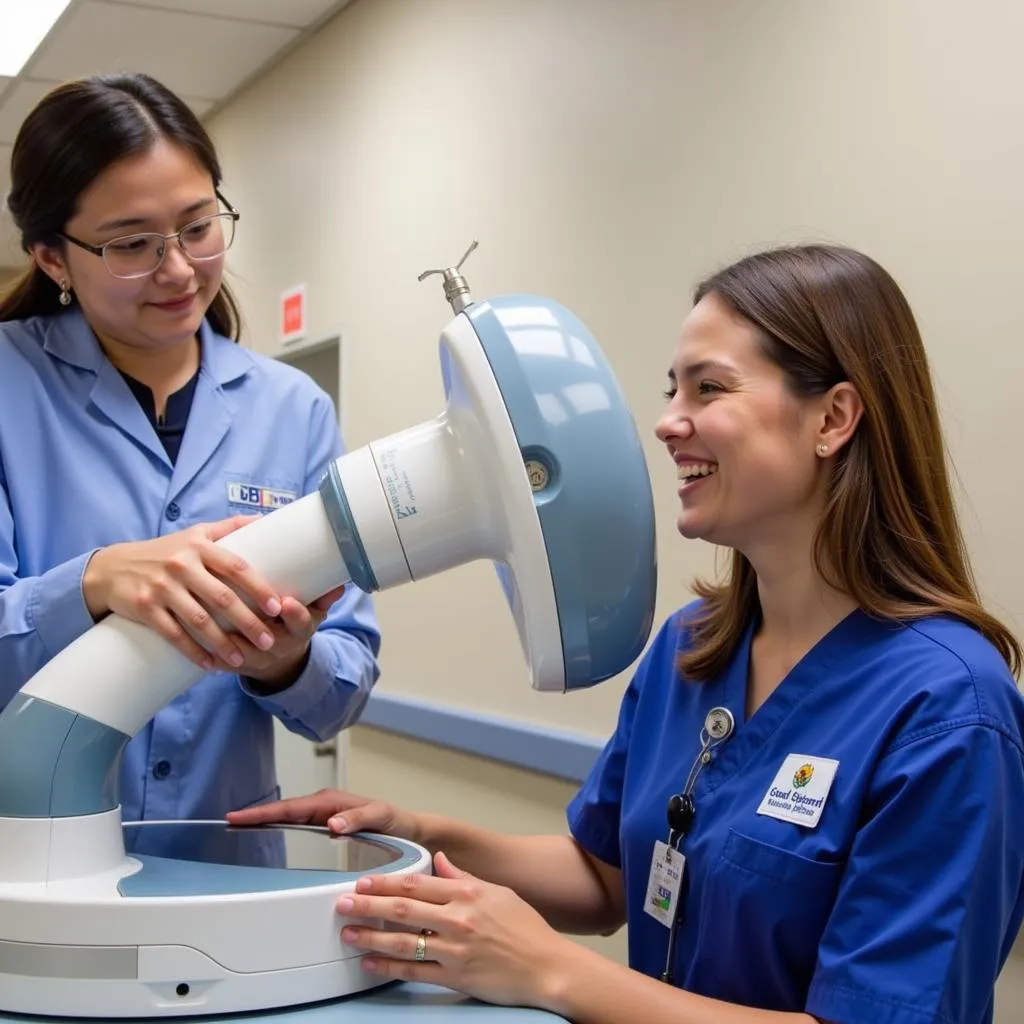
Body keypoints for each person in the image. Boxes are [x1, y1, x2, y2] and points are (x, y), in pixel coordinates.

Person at [231, 244, 1024, 1023]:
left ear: (834, 417)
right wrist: (421, 832)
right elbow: (607, 872)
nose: (667, 423)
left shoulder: (949, 709)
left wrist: (548, 971)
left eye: (709, 388)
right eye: (673, 390)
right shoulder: (692, 647)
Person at [0, 74, 381, 866]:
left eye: (198, 226)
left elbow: (341, 690)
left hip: (222, 871)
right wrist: (93, 583)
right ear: (52, 257)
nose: (179, 270)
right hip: (31, 866)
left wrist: (287, 663)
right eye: (132, 244)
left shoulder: (293, 409)